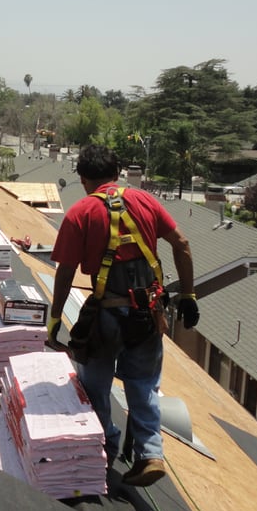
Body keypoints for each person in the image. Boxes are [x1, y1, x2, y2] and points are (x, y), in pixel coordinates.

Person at [47, 144, 197, 488]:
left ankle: (104, 450)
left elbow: (65, 271)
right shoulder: (146, 201)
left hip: (105, 318)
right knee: (143, 385)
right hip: (148, 314)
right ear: (116, 174)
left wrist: (56, 320)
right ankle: (150, 453)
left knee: (94, 386)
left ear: (84, 180)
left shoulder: (81, 212)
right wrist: (188, 294)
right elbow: (182, 243)